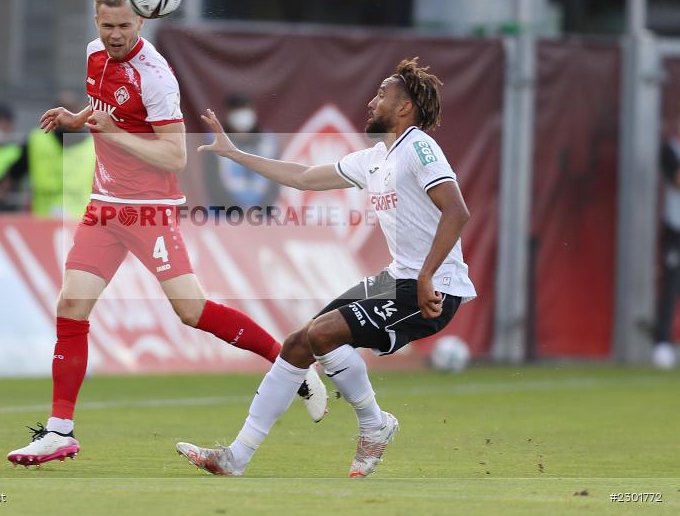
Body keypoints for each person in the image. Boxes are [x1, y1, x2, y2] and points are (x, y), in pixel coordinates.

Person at [6, 0, 327, 467]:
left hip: (148, 209)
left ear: (142, 23)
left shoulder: (156, 77)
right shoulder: (95, 54)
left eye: (124, 27)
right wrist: (80, 120)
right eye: (106, 25)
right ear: (96, 23)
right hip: (103, 205)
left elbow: (175, 154)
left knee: (191, 311)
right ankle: (59, 432)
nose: (114, 35)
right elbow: (106, 110)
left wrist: (116, 133)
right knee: (71, 305)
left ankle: (295, 367)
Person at [176, 57, 476, 478]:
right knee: (300, 342)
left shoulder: (419, 148)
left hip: (434, 288)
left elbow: (457, 211)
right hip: (398, 278)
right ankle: (237, 457)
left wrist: (426, 275)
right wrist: (234, 154)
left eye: (382, 95)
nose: (372, 102)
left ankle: (374, 424)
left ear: (405, 107)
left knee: (320, 334)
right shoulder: (375, 158)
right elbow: (302, 176)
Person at [0, 91, 97, 218]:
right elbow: (14, 173)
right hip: (43, 220)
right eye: (63, 110)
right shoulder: (36, 141)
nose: (67, 116)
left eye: (71, 111)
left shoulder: (95, 145)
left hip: (80, 221)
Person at [203, 93, 280, 210]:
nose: (242, 116)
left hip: (262, 216)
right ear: (228, 113)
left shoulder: (269, 142)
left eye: (246, 109)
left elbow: (276, 182)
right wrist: (237, 211)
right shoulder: (214, 141)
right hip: (223, 215)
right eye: (237, 110)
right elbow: (213, 184)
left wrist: (259, 210)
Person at [654, 118, 680, 369]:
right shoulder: (669, 150)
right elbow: (676, 179)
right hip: (675, 229)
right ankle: (662, 343)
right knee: (671, 285)